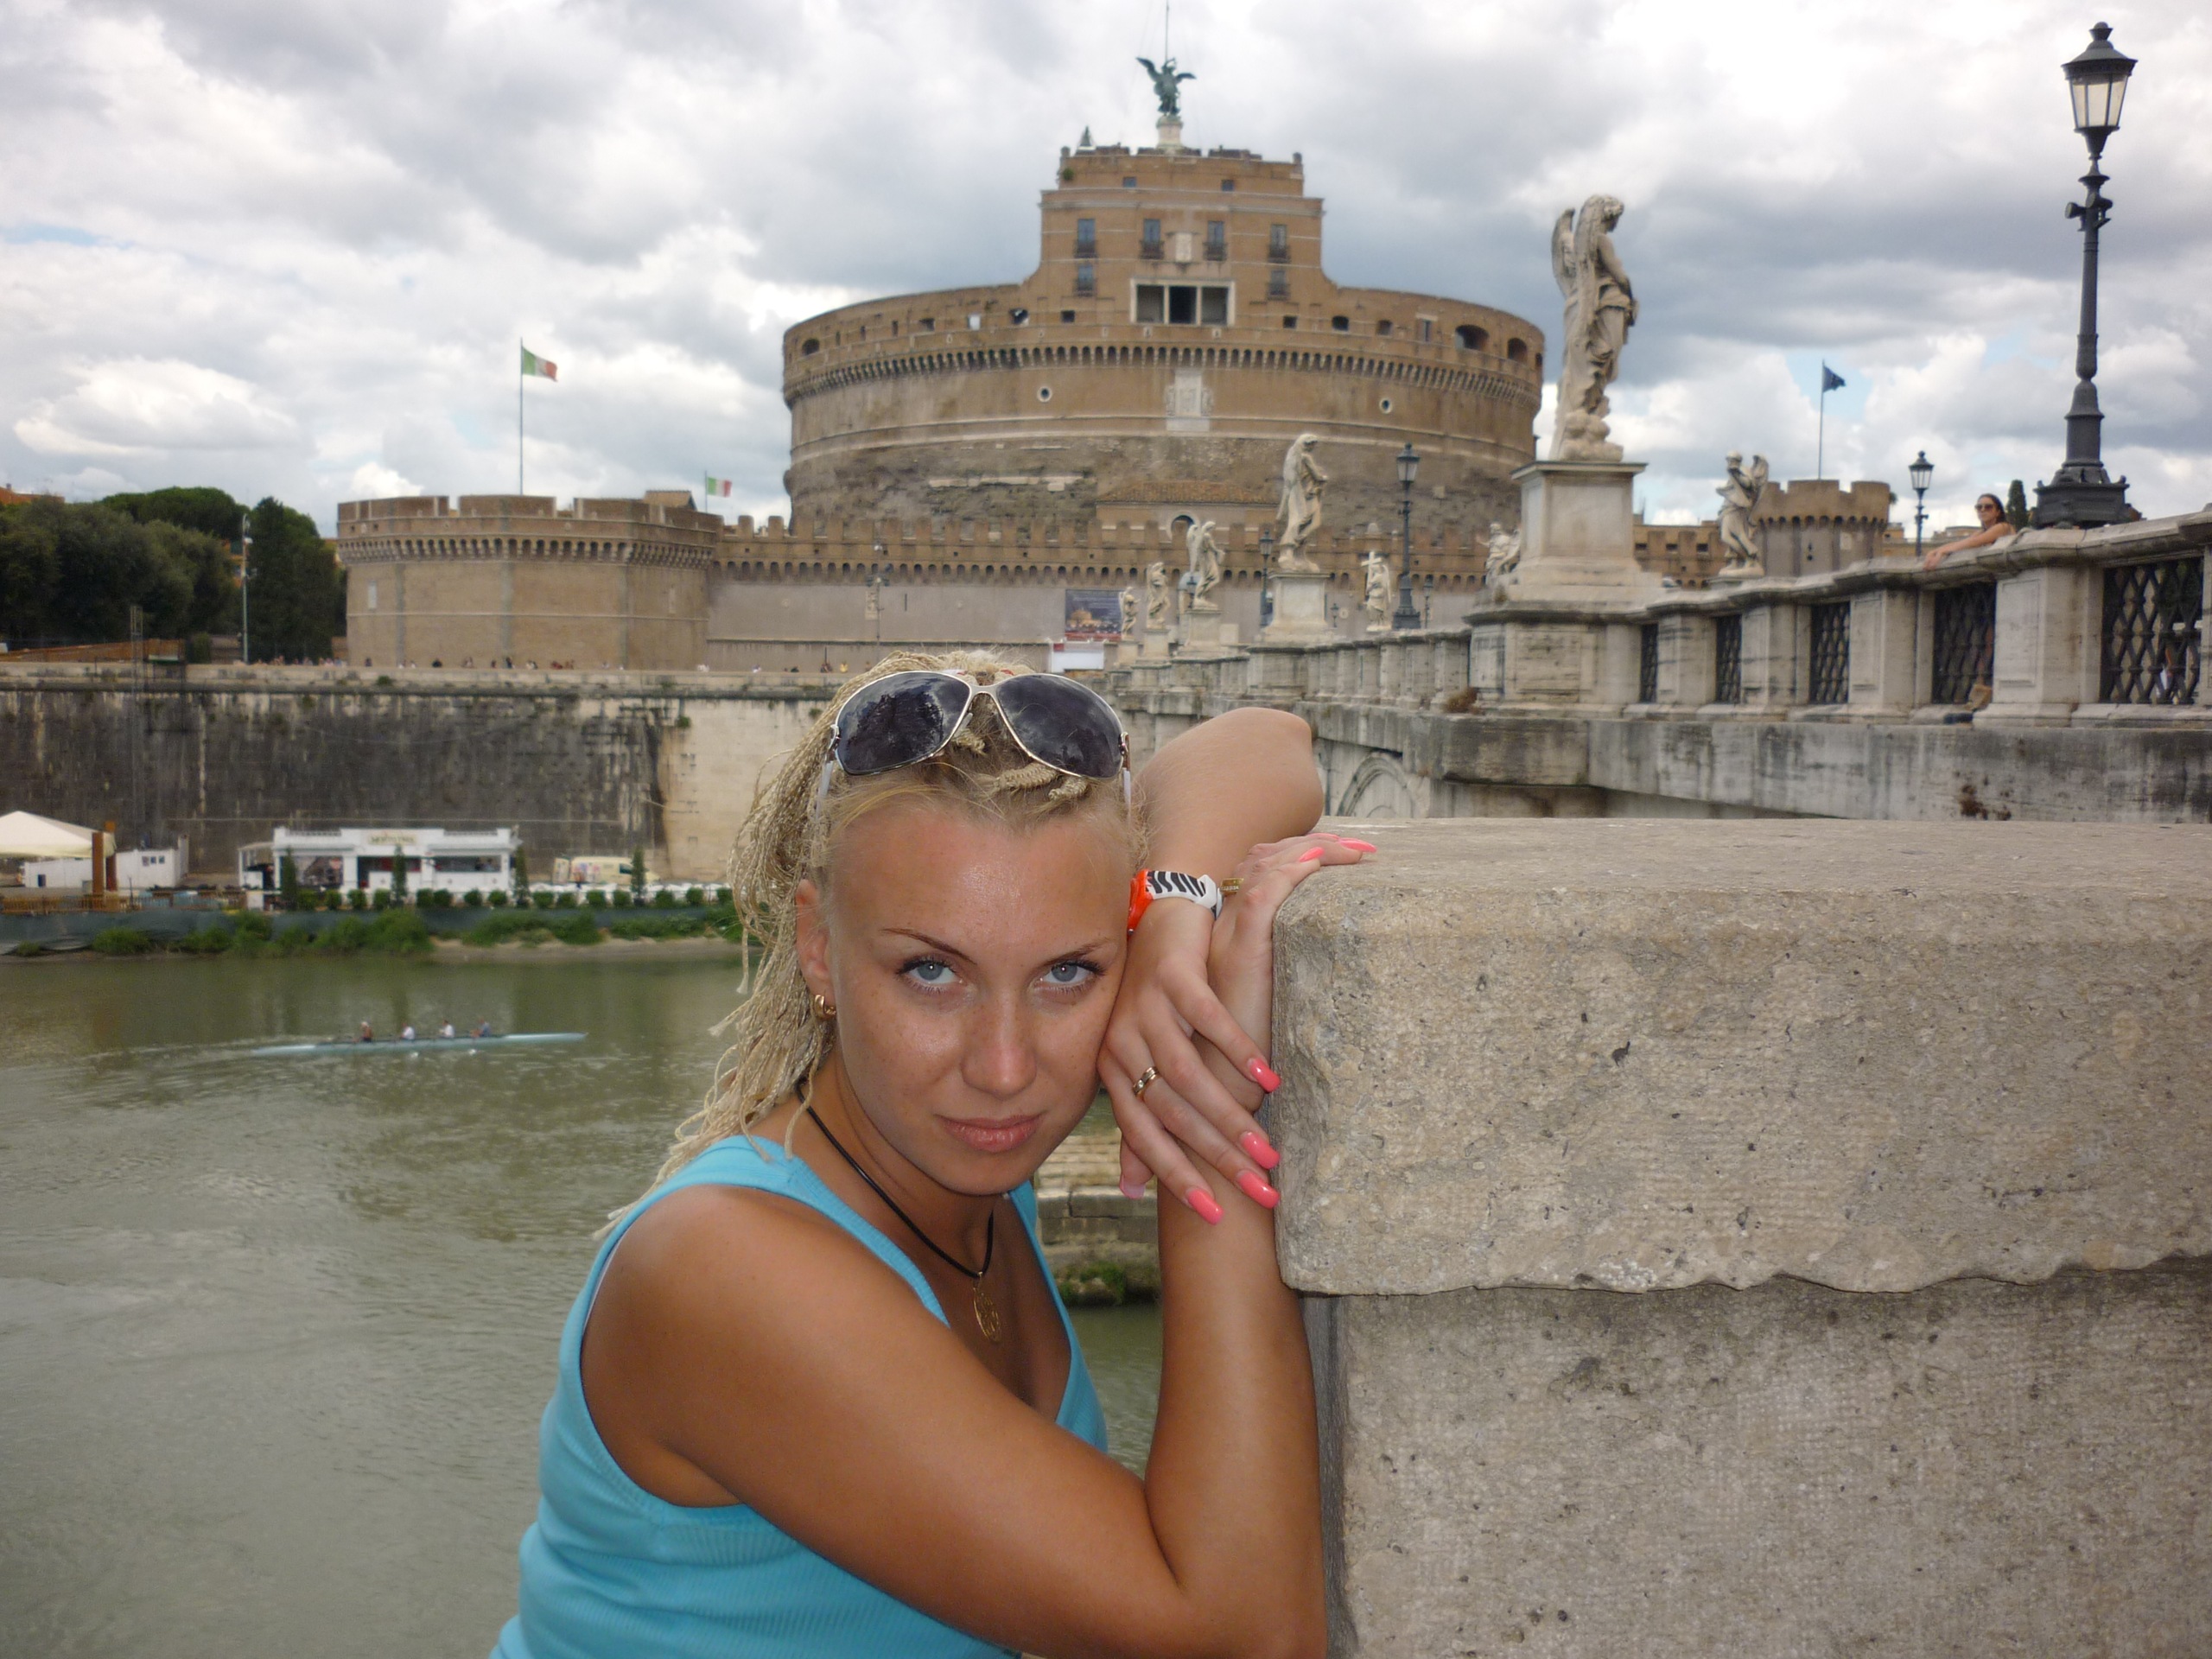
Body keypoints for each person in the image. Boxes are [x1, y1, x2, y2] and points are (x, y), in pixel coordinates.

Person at [493, 652, 1353, 1659]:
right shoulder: (724, 1271)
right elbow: (1246, 1640)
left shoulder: (943, 1174)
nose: (1003, 1067)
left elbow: (1267, 743)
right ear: (818, 948)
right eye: (932, 972)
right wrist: (1203, 1101)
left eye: (1067, 973)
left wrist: (1172, 914)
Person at [1925, 493, 2015, 570]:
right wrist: (1934, 552)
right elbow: (1963, 543)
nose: (1983, 510)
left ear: (1998, 512)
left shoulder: (2003, 527)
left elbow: (1975, 542)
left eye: (1988, 507)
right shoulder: (1982, 532)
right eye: (1979, 507)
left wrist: (1942, 552)